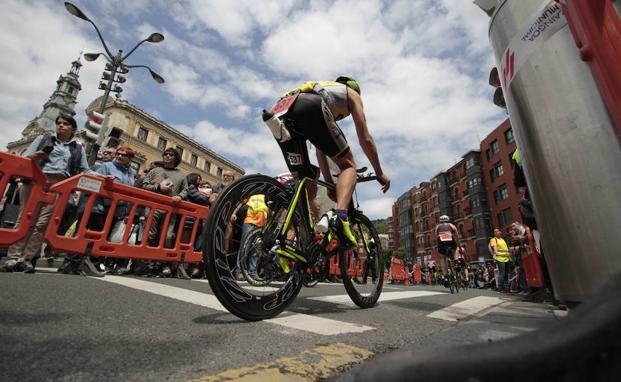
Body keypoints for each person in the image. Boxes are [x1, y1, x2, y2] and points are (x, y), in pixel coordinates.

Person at [266, 76, 390, 247]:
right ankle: (340, 217)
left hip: (281, 112)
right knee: (348, 165)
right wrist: (379, 172)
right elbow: (365, 138)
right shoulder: (352, 93)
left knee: (307, 183)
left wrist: (330, 183)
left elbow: (320, 151)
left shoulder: (323, 88)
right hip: (308, 104)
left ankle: (283, 245)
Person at [0, 114, 89, 273]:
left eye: (65, 123)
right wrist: (35, 157)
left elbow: (85, 170)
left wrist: (103, 177)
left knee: (42, 224)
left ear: (73, 128)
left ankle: (28, 259)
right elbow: (26, 159)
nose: (61, 125)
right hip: (36, 181)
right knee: (25, 219)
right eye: (59, 123)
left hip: (59, 186)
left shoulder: (78, 148)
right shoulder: (42, 139)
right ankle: (13, 257)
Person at [140, 148, 188, 276]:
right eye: (165, 154)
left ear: (176, 158)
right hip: (152, 207)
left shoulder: (181, 175)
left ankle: (163, 264)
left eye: (170, 154)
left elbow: (185, 190)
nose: (167, 156)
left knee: (167, 237)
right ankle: (147, 264)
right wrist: (158, 187)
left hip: (170, 210)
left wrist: (180, 197)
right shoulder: (155, 171)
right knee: (150, 235)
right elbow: (143, 185)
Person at [489, 228, 512, 293]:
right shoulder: (493, 240)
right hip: (499, 258)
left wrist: (508, 252)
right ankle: (500, 288)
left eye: (497, 231)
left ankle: (507, 289)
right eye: (494, 232)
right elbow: (496, 252)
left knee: (506, 274)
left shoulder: (502, 239)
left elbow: (506, 249)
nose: (496, 233)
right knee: (502, 273)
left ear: (500, 232)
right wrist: (506, 254)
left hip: (506, 258)